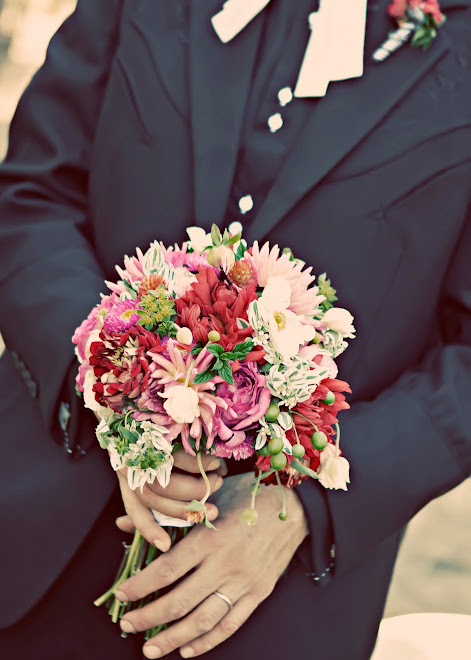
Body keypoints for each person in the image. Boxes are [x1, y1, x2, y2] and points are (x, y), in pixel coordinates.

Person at [0, 1, 470, 658]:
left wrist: (306, 504)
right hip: (32, 539)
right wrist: (111, 393)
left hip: (274, 601)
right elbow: (33, 195)